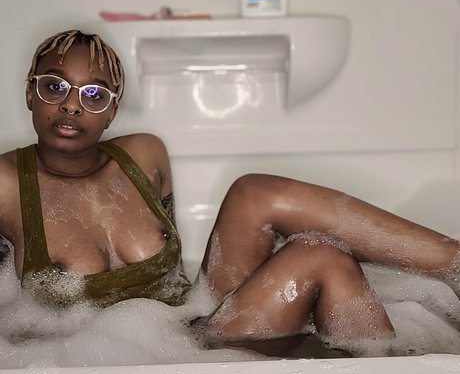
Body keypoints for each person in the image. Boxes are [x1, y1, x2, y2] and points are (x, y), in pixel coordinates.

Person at [0, 29, 458, 354]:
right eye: (54, 86)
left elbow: (184, 283)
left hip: (190, 330)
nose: (71, 104)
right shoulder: (5, 183)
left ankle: (450, 269)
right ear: (30, 94)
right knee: (325, 260)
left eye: (94, 95)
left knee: (266, 203)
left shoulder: (144, 155)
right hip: (112, 357)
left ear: (112, 113)